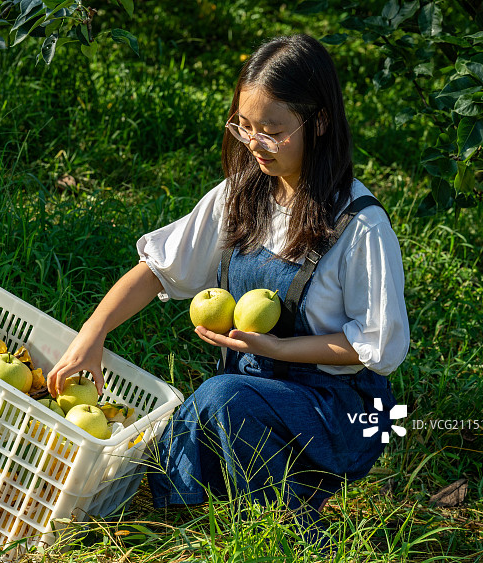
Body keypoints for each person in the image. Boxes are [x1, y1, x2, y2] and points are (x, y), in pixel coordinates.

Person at [47, 34, 410, 550]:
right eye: (245, 126)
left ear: (319, 122)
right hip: (258, 389)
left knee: (220, 399)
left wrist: (279, 348)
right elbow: (155, 269)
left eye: (273, 131)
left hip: (339, 409)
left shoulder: (359, 227)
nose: (254, 143)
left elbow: (376, 347)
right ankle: (195, 519)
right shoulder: (243, 195)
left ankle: (296, 533)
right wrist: (92, 334)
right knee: (202, 418)